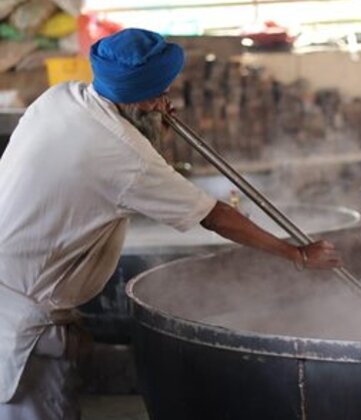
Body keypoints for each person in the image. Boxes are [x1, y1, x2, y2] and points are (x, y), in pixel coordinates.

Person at [0, 28, 342, 419]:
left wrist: (145, 124)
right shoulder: (126, 157)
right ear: (145, 97)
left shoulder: (60, 98)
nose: (167, 99)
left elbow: (118, 153)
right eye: (162, 91)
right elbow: (215, 216)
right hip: (25, 324)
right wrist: (296, 253)